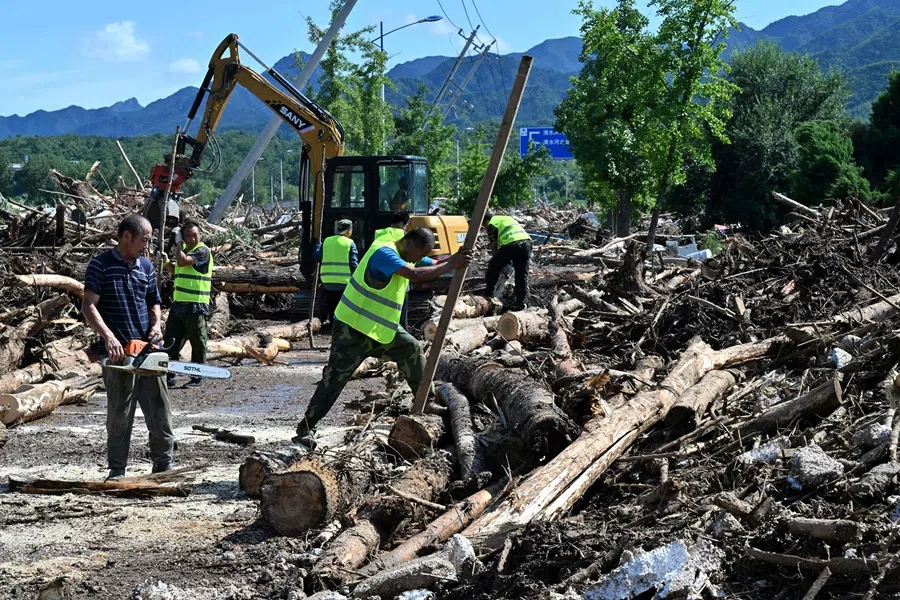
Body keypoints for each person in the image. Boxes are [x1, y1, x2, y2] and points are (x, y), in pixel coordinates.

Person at [294, 228, 472, 447]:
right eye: (418, 254)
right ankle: (306, 428)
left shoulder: (405, 251)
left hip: (379, 329)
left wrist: (453, 258)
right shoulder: (384, 253)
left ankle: (425, 401)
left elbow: (431, 263)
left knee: (412, 349)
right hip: (352, 329)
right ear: (410, 243)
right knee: (334, 379)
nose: (418, 259)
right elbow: (415, 274)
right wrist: (451, 264)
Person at [81, 214, 174, 481]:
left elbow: (154, 302)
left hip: (148, 350)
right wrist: (107, 337)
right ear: (126, 236)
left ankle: (163, 464)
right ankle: (117, 468)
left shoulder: (145, 266)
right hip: (118, 353)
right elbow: (88, 305)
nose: (147, 246)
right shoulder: (101, 265)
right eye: (144, 240)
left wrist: (157, 325)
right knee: (120, 414)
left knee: (160, 410)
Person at [164, 220, 213, 387]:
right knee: (171, 340)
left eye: (195, 235)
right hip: (179, 304)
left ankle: (197, 376)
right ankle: (169, 375)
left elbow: (183, 262)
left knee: (197, 342)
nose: (193, 238)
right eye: (188, 236)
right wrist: (166, 262)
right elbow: (177, 269)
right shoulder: (184, 251)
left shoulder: (202, 251)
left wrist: (178, 243)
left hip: (196, 305)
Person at [482, 211, 533, 311]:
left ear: (486, 221)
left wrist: (496, 259)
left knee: (493, 266)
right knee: (521, 276)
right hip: (526, 244)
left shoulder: (492, 223)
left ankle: (489, 293)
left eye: (483, 225)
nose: (484, 228)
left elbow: (494, 245)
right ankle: (520, 303)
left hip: (511, 244)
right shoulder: (506, 218)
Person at [314, 219, 359, 326]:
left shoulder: (326, 241)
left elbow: (317, 256)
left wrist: (317, 246)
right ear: (349, 230)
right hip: (344, 282)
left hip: (327, 282)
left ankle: (332, 325)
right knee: (343, 307)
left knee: (331, 306)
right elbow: (353, 264)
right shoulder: (350, 243)